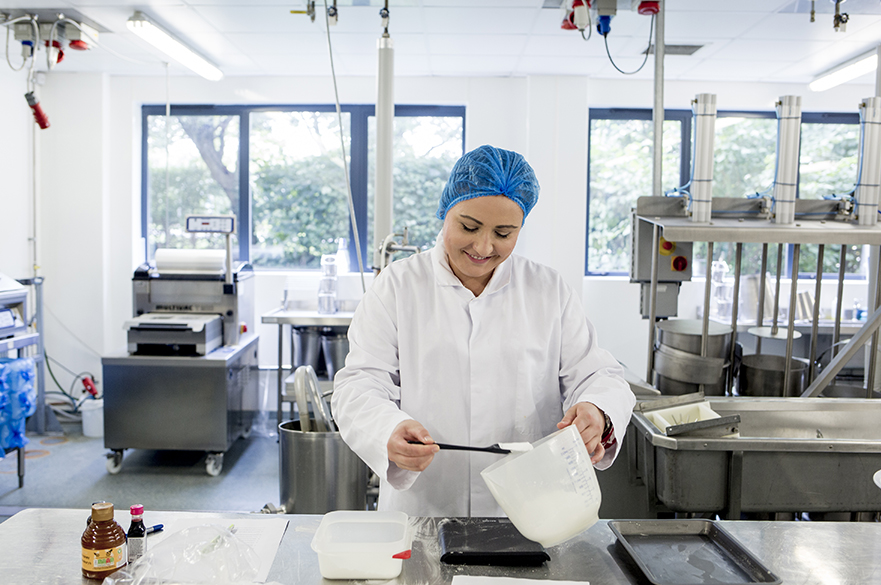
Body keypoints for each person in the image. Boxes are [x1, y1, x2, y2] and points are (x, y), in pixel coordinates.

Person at [332, 144, 636, 517]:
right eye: (468, 227)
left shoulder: (548, 290)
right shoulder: (398, 286)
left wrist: (596, 410)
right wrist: (387, 430)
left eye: (504, 233)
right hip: (424, 506)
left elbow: (598, 374)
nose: (483, 246)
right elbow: (359, 383)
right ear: (445, 212)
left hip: (532, 511)